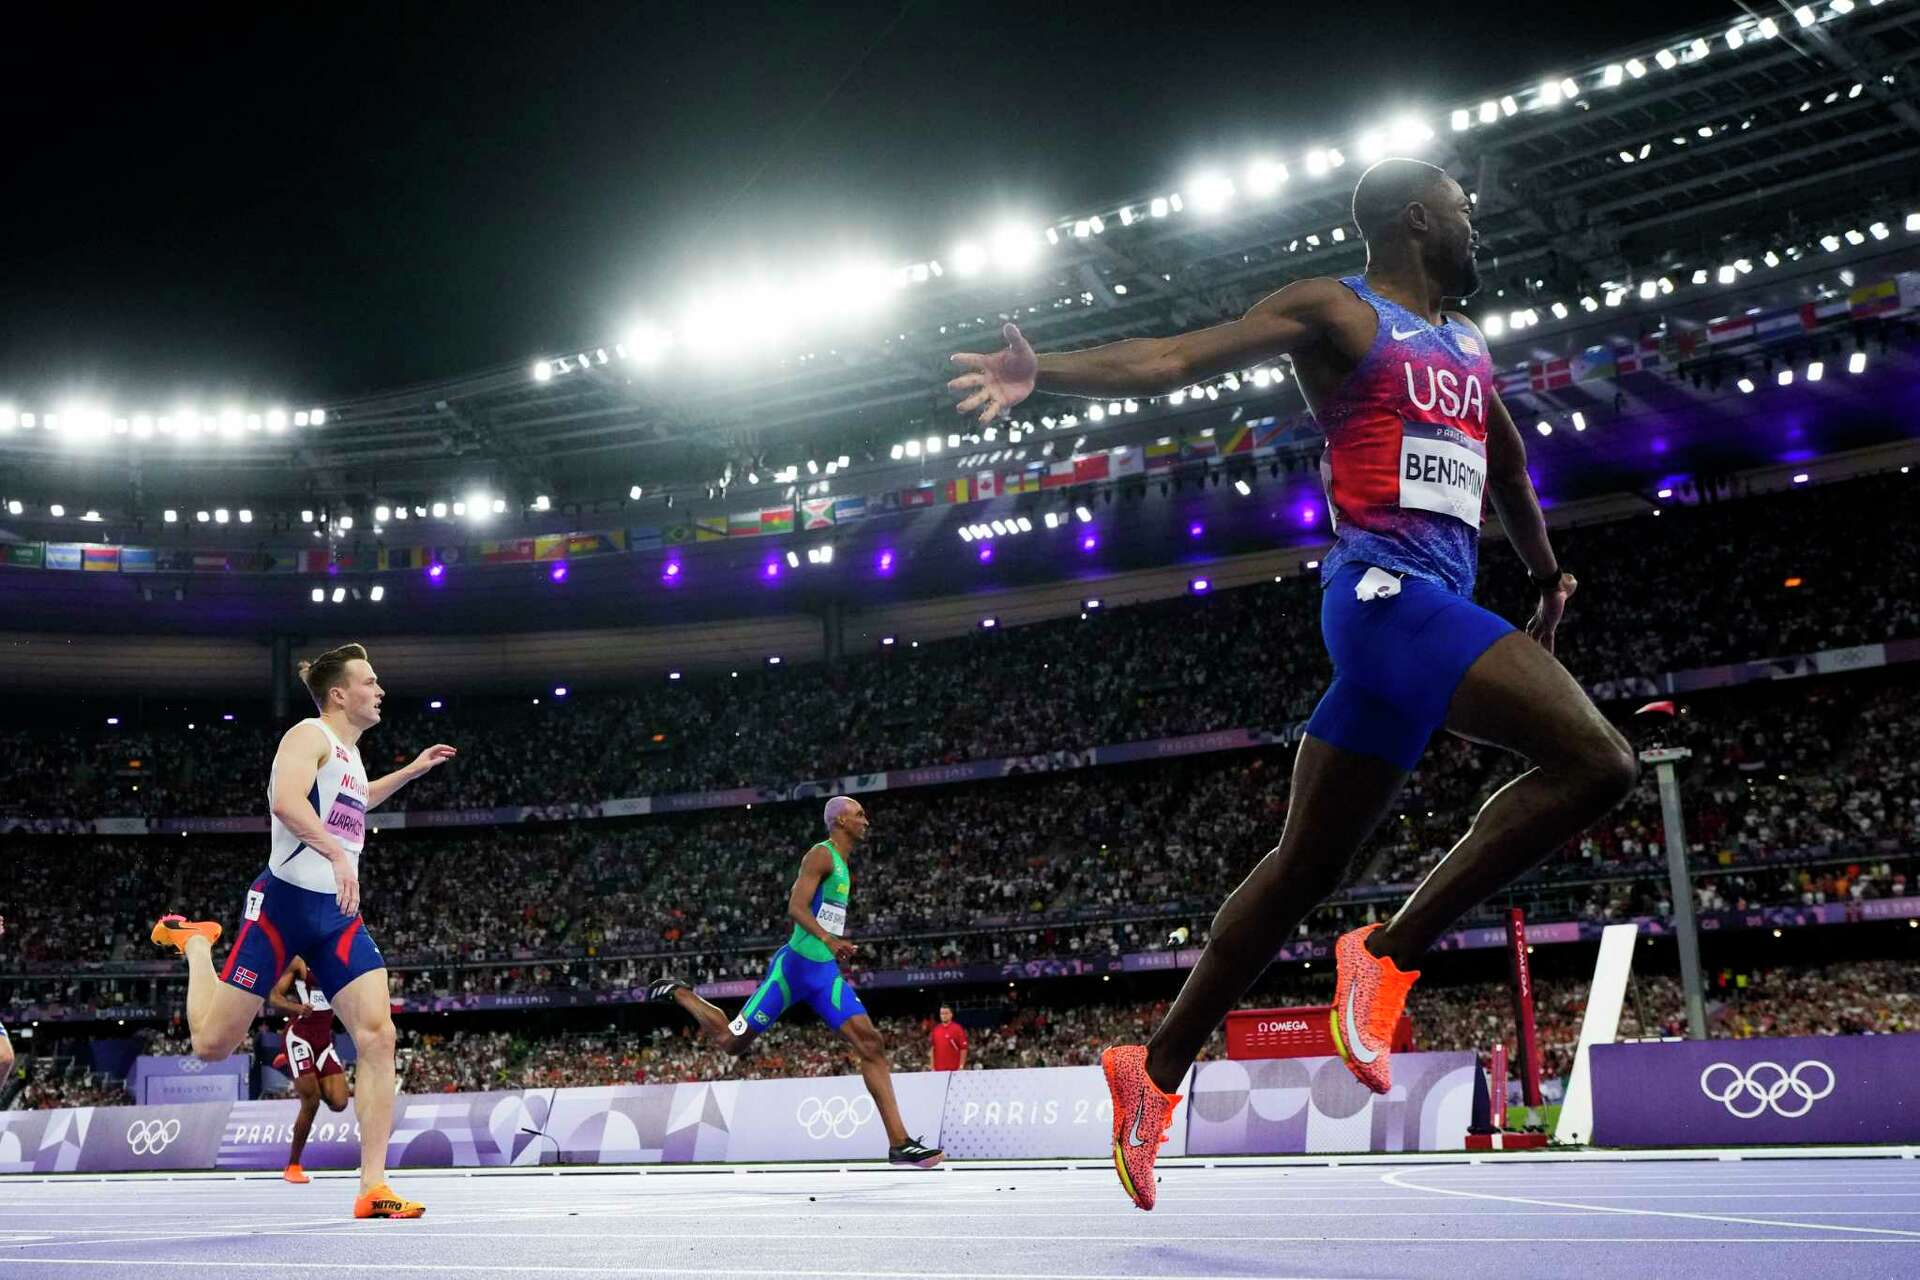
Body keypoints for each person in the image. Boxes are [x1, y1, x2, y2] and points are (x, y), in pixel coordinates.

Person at [949, 157, 1637, 1210]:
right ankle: (1391, 952)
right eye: (1464, 210)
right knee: (1599, 761)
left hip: (1430, 615)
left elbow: (1503, 466)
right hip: (1381, 596)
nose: (1477, 226)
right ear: (1416, 219)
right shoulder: (1339, 309)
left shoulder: (1467, 345)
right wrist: (1046, 375)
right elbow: (1176, 356)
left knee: (1298, 871)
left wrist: (1545, 574)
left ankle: (1153, 1069)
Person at [150, 642, 457, 1218]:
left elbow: (356, 802)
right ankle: (195, 944)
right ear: (339, 693)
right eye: (370, 682)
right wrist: (339, 857)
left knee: (378, 1035)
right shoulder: (307, 736)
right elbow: (287, 802)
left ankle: (373, 1187)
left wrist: (412, 771)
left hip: (336, 917)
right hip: (282, 907)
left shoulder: (350, 755)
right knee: (212, 1045)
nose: (380, 690)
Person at [649, 796, 944, 1167]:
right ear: (839, 820)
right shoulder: (820, 855)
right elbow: (796, 907)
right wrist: (828, 939)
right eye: (859, 815)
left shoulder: (844, 864)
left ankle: (899, 1143)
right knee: (731, 1042)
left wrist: (830, 944)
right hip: (791, 971)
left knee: (871, 1043)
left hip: (822, 975)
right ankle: (681, 993)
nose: (866, 820)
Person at [268, 955, 350, 1184]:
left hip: (324, 1041)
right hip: (299, 1037)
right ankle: (293, 1165)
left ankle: (290, 1067)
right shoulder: (299, 962)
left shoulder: (339, 958)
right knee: (311, 1101)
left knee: (340, 1103)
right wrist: (296, 1007)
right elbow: (274, 997)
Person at [930, 1004, 968, 1072]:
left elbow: (963, 1049)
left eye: (946, 1013)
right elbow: (933, 1049)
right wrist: (932, 1067)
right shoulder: (936, 1030)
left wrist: (961, 1066)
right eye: (942, 1013)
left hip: (954, 1069)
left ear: (951, 1014)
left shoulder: (958, 1029)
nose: (944, 1015)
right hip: (939, 1070)